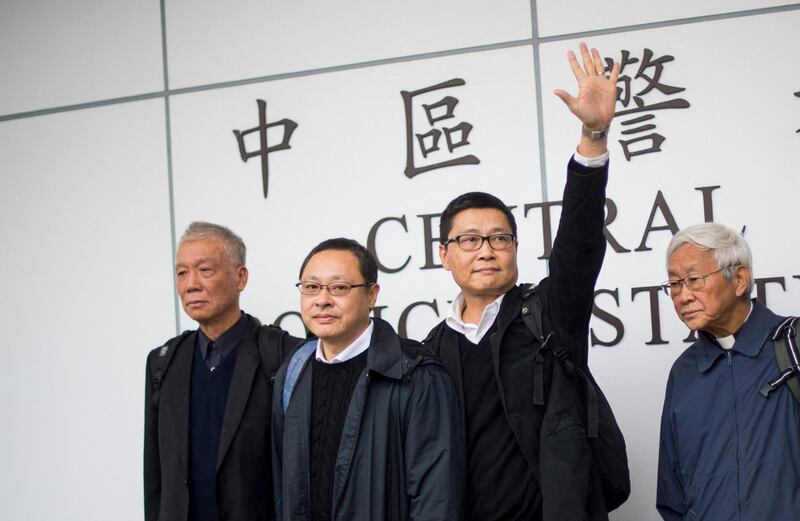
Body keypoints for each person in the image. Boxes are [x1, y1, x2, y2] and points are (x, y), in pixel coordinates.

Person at [424, 42, 622, 521]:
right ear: (443, 256)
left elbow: (577, 244)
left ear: (515, 247)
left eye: (499, 237)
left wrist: (593, 136)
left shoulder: (549, 313)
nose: (486, 249)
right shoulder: (429, 349)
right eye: (469, 240)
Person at [271, 238, 462, 521]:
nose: (322, 300)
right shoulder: (293, 372)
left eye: (339, 288)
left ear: (372, 295)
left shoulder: (416, 375)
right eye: (311, 287)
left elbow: (436, 500)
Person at [144, 222, 302, 521]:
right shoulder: (163, 362)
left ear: (240, 277)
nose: (191, 284)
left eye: (205, 270)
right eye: (181, 273)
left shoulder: (281, 355)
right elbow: (155, 479)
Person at [657, 223, 800, 520]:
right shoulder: (683, 374)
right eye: (674, 284)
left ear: (739, 278)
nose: (682, 296)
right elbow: (672, 496)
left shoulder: (794, 343)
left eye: (693, 280)